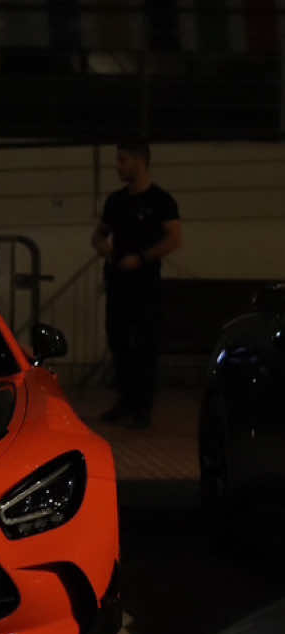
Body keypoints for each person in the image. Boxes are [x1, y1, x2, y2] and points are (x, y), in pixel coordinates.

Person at [91, 137, 182, 429]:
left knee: (144, 344)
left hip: (145, 284)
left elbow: (173, 238)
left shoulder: (161, 201)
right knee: (119, 342)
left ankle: (143, 407)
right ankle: (125, 401)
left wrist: (141, 258)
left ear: (140, 161)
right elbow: (99, 234)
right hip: (118, 282)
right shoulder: (116, 201)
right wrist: (104, 249)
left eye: (123, 160)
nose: (118, 167)